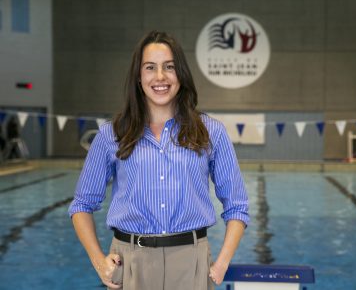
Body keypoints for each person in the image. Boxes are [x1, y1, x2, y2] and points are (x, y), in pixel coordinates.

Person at [68, 30, 249, 290]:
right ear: (138, 77)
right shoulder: (112, 134)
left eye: (169, 67)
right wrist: (99, 261)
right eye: (150, 67)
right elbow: (82, 205)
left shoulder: (210, 132)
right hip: (130, 262)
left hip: (192, 261)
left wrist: (221, 263)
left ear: (181, 75)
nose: (160, 77)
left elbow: (237, 206)